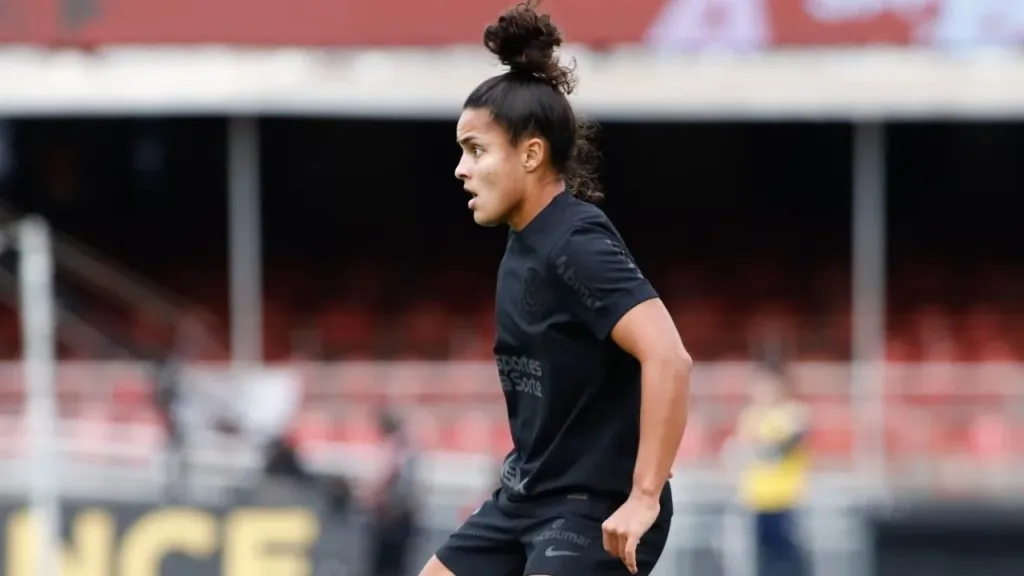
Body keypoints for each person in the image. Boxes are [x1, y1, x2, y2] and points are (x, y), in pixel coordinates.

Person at [419, 3, 692, 576]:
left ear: (532, 153)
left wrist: (643, 497)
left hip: (593, 507)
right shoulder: (524, 243)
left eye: (476, 150)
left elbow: (668, 356)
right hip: (523, 497)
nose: (459, 171)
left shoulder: (576, 241)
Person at [734, 362, 809, 576]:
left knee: (788, 558)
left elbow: (786, 446)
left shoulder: (794, 414)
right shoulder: (750, 417)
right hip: (756, 501)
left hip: (786, 500)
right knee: (762, 560)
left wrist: (759, 448)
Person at [366, 410, 419, 576]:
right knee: (398, 566)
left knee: (385, 566)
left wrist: (370, 496)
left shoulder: (392, 448)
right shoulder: (409, 449)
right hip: (401, 515)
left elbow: (387, 475)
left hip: (391, 517)